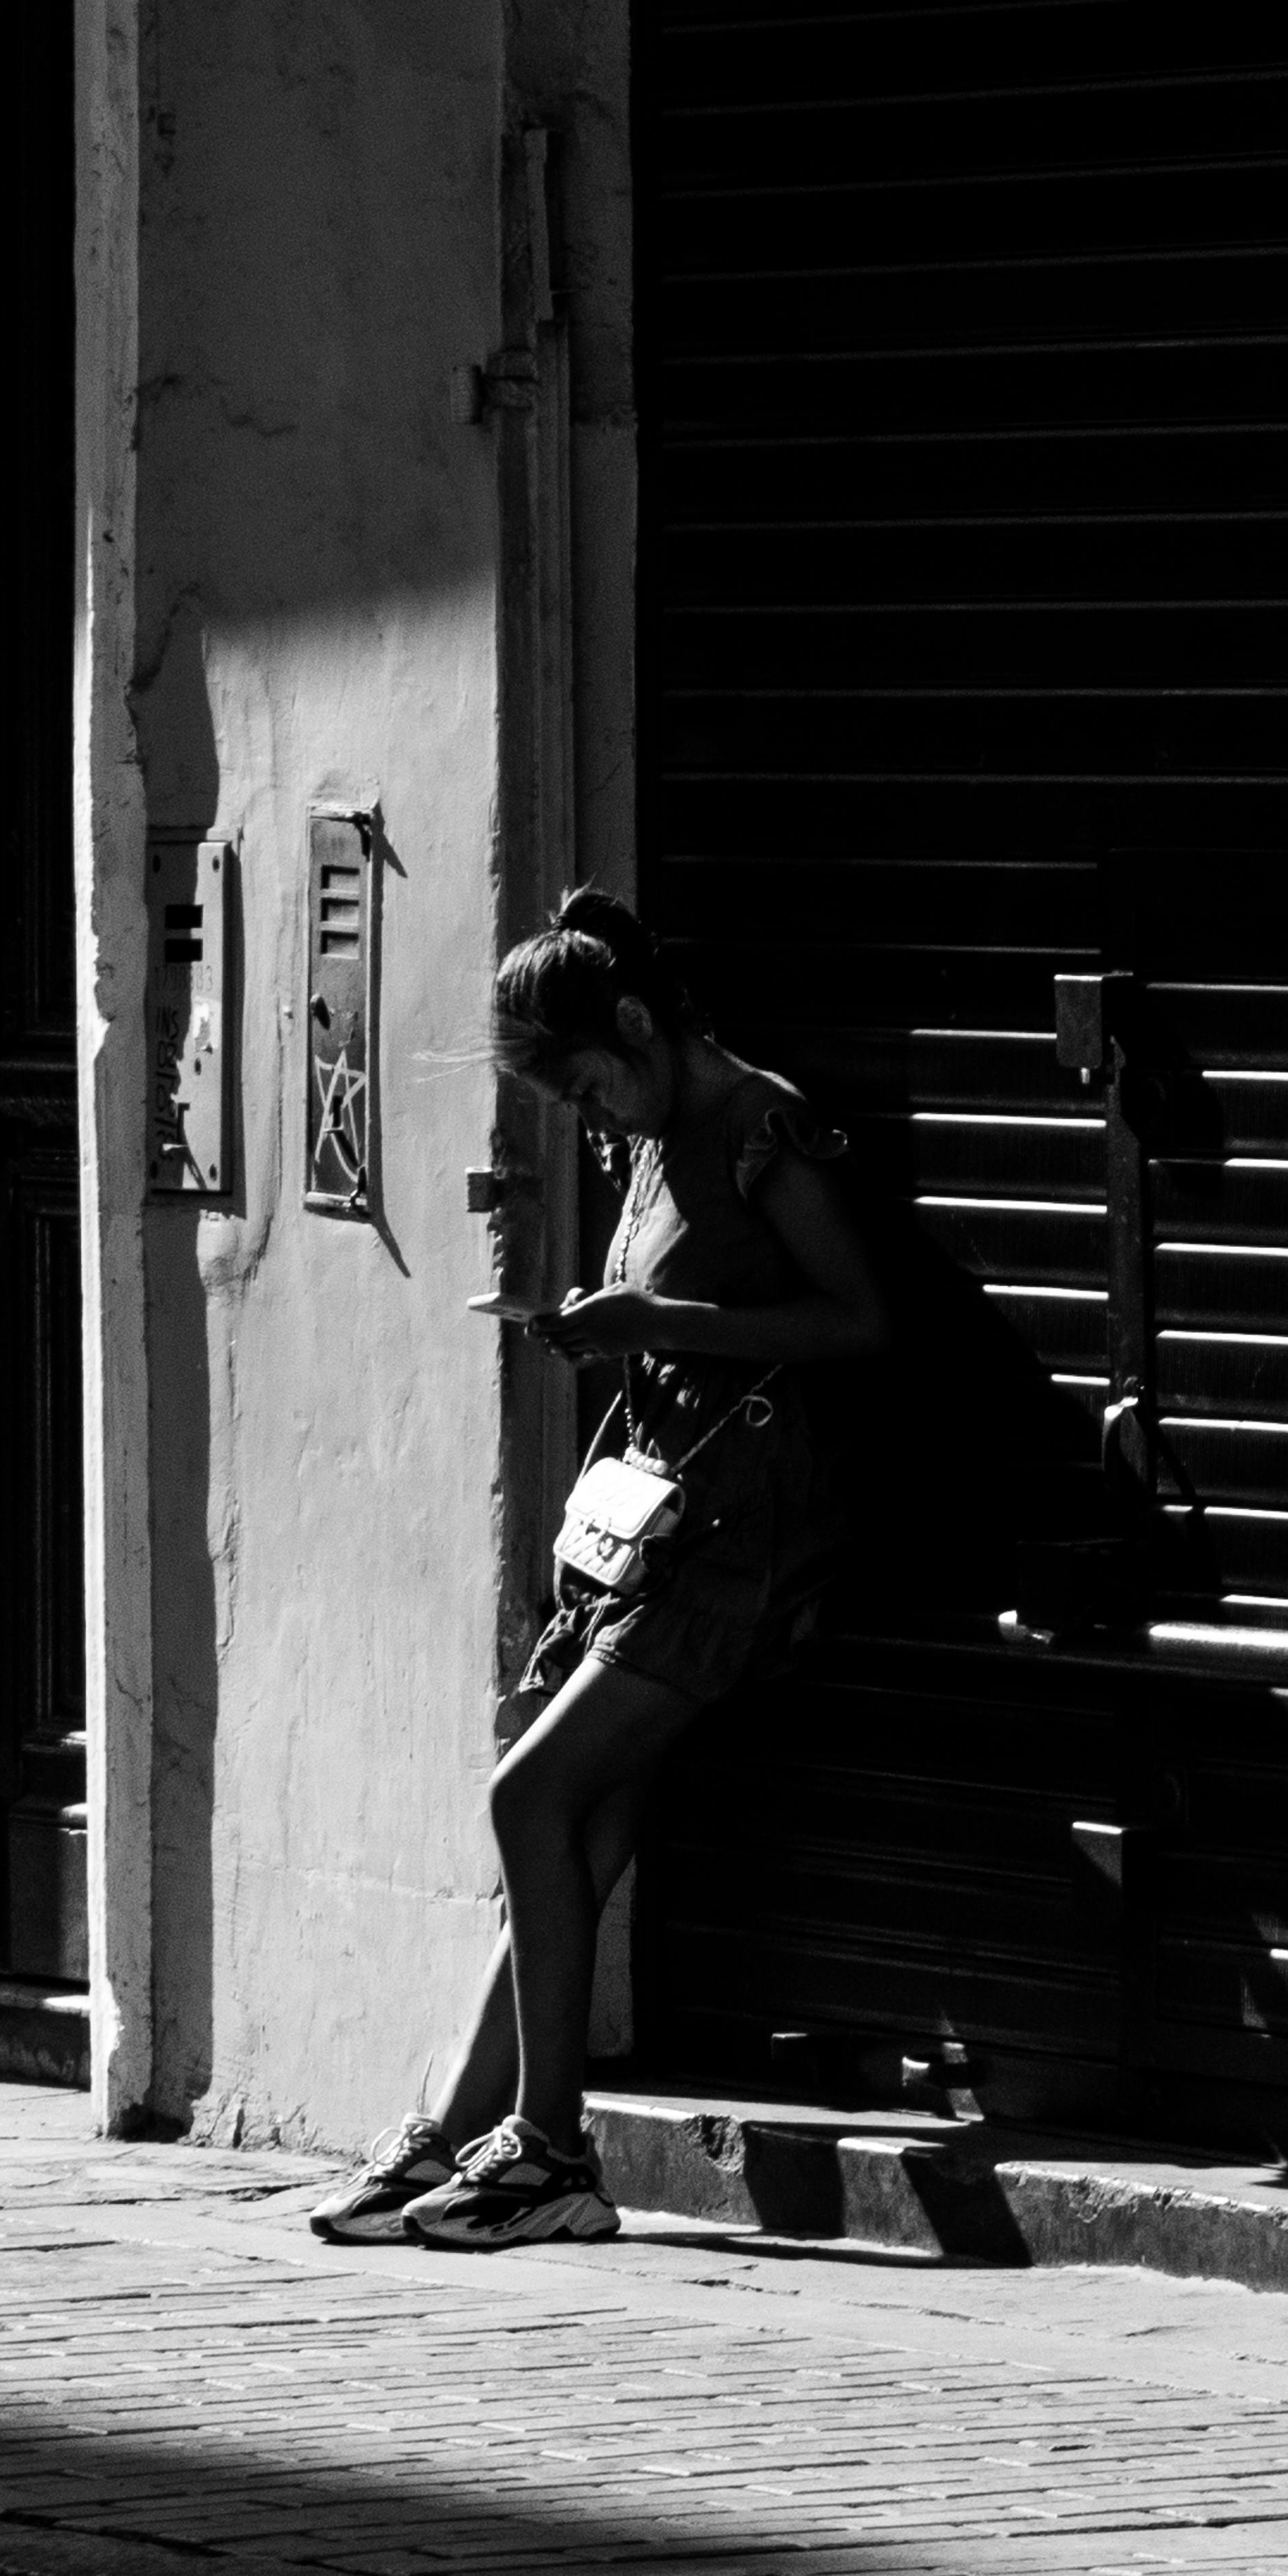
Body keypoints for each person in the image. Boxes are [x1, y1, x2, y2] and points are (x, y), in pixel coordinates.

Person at [309, 884, 1032, 2255]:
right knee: (576, 1832)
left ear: (636, 1025)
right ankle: (449, 2138)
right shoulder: (647, 1138)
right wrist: (613, 1329)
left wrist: (655, 1318)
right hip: (655, 1529)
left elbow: (863, 1322)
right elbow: (678, 1308)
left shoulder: (764, 1127)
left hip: (745, 1541)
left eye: (587, 1083)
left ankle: (551, 2151)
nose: (589, 1115)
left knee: (530, 1798)